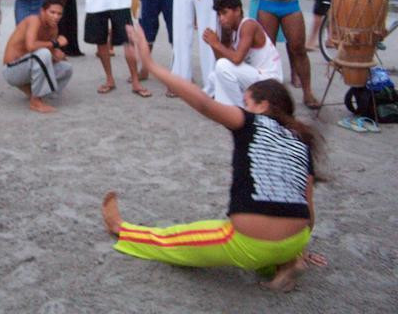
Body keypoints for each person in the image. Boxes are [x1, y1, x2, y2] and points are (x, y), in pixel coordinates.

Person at [102, 24, 327, 292]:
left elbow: (202, 102)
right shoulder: (301, 139)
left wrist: (150, 63)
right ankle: (286, 261)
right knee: (273, 242)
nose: (244, 108)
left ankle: (121, 228)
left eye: (247, 103)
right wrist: (298, 247)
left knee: (174, 240)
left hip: (251, 242)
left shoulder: (251, 121)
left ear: (263, 106)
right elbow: (308, 208)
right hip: (296, 238)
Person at [203, 0, 283, 106]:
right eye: (219, 15)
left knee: (222, 67)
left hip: (270, 82)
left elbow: (236, 59)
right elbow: (223, 60)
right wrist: (213, 45)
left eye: (224, 13)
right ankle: (212, 103)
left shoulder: (248, 25)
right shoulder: (234, 31)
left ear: (237, 11)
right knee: (215, 74)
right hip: (257, 78)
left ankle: (241, 109)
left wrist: (216, 43)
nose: (221, 18)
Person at [3, 0, 73, 113]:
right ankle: (35, 101)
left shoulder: (53, 28)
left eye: (59, 14)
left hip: (29, 65)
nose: (56, 17)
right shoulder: (34, 20)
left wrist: (57, 55)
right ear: (42, 11)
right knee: (43, 53)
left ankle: (36, 92)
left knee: (66, 68)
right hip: (12, 70)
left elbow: (50, 53)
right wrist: (55, 44)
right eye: (52, 12)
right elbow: (31, 46)